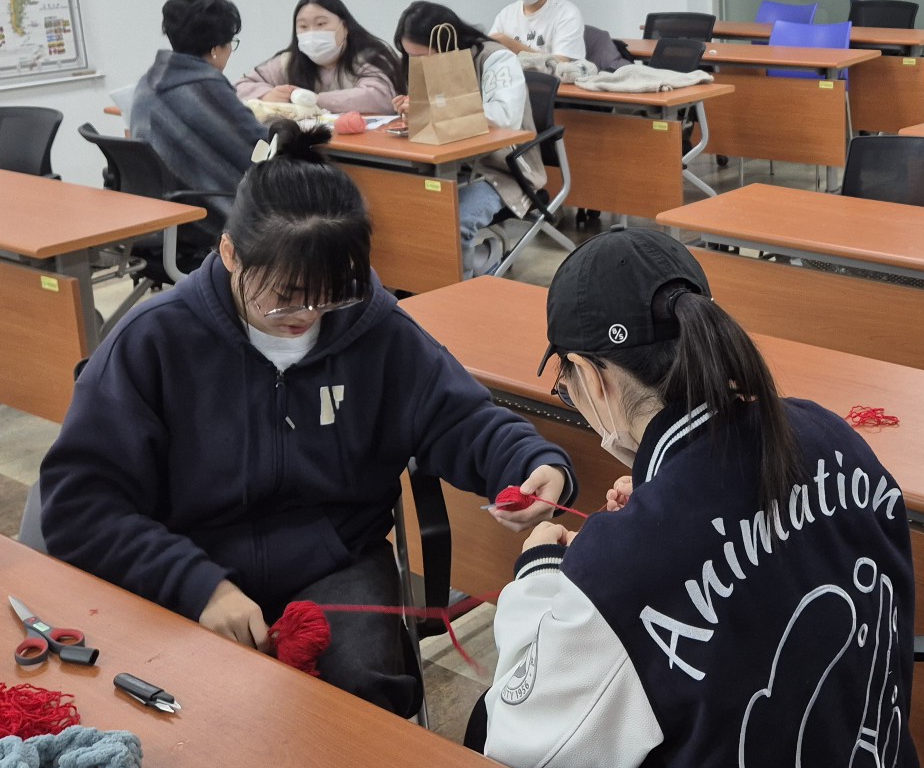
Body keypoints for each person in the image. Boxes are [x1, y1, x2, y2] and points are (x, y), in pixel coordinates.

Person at [38, 119, 574, 717]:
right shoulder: (154, 342)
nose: (309, 315)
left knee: (358, 706)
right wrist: (196, 585)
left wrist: (531, 462)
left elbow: (458, 416)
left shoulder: (374, 327)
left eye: (333, 293)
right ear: (230, 254)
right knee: (188, 723)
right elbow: (78, 505)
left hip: (337, 562)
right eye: (287, 297)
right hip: (189, 560)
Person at [476, 229, 923, 768]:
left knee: (485, 734)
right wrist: (657, 501)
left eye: (567, 383)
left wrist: (541, 569)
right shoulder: (827, 431)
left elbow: (520, 741)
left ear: (594, 378)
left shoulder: (624, 562)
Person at [393, 1, 546, 277]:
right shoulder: (426, 66)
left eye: (423, 56)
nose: (418, 64)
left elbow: (505, 118)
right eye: (411, 57)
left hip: (501, 169)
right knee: (404, 211)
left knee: (454, 221)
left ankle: (461, 288)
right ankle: (469, 264)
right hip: (450, 166)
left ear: (446, 43)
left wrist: (435, 109)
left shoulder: (495, 58)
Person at [132, 0, 267, 227]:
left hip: (159, 210)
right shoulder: (204, 86)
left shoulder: (149, 81)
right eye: (230, 43)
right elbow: (258, 148)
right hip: (206, 214)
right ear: (216, 48)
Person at [236, 0, 402, 114]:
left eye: (321, 24)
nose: (312, 33)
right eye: (303, 26)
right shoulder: (289, 62)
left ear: (344, 27)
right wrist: (267, 95)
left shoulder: (369, 57)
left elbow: (379, 97)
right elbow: (240, 87)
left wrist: (315, 100)